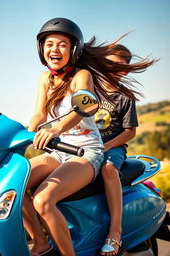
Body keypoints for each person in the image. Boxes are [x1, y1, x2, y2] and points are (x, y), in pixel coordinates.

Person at [23, 18, 156, 256]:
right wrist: (24, 133)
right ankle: (41, 246)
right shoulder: (45, 78)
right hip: (58, 151)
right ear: (41, 49)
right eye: (49, 43)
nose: (54, 49)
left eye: (62, 44)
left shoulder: (82, 76)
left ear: (73, 50)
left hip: (86, 152)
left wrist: (55, 130)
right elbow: (39, 113)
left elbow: (83, 108)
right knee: (13, 186)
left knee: (42, 200)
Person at [94, 44, 138, 256]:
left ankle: (115, 231)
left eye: (117, 66)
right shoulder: (90, 92)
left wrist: (108, 145)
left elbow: (130, 131)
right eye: (107, 64)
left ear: (125, 71)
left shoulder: (125, 96)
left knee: (108, 169)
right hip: (88, 147)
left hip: (114, 146)